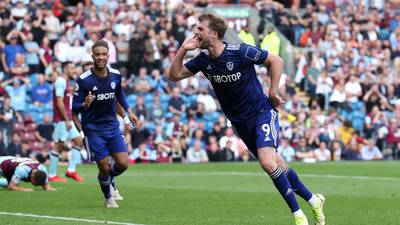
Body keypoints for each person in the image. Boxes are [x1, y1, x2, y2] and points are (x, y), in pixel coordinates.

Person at [168, 13, 325, 225]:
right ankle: (314, 201)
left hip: (261, 112)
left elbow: (275, 60)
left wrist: (272, 91)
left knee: (268, 163)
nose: (196, 32)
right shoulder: (203, 60)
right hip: (240, 122)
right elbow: (174, 75)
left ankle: (299, 216)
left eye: (200, 29)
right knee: (278, 164)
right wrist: (182, 50)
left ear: (213, 34)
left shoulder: (240, 51)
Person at [72, 40, 139, 208]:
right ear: (92, 56)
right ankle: (108, 197)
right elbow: (74, 107)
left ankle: (110, 178)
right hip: (93, 129)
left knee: (123, 163)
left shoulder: (115, 74)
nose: (101, 57)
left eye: (104, 54)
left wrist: (129, 111)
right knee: (103, 166)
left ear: (108, 56)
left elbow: (119, 93)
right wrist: (85, 104)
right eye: (97, 55)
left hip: (111, 126)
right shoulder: (83, 80)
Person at [50, 61, 85, 182]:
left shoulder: (66, 82)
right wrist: (66, 119)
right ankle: (52, 174)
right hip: (61, 120)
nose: (73, 70)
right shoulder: (60, 81)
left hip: (67, 119)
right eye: (71, 68)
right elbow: (59, 103)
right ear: (65, 69)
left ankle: (71, 170)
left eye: (73, 68)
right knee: (59, 145)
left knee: (79, 141)